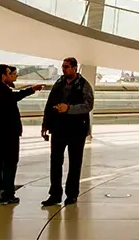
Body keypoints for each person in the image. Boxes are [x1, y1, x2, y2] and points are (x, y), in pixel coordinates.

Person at [0, 64, 43, 205]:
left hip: (1, 134)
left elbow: (15, 97)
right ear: (3, 76)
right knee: (9, 163)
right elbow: (15, 97)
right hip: (7, 135)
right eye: (10, 73)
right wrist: (31, 90)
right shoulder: (1, 91)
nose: (14, 76)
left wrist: (31, 89)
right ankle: (7, 193)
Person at [41, 58, 94, 207]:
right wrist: (45, 124)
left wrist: (69, 109)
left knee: (75, 162)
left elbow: (88, 105)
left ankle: (72, 194)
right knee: (55, 161)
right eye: (63, 67)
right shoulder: (59, 83)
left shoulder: (84, 85)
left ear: (75, 68)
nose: (64, 69)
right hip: (58, 128)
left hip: (77, 129)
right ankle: (55, 194)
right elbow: (49, 103)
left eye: (66, 67)